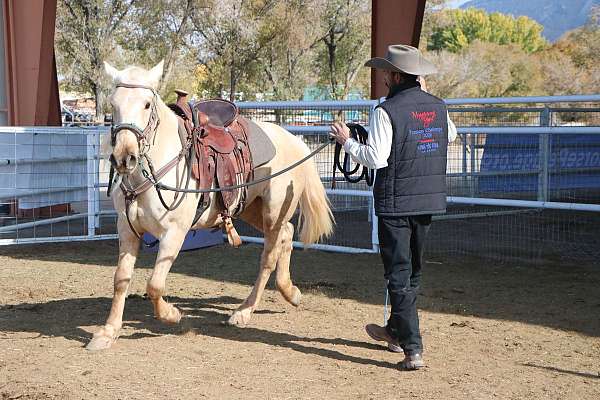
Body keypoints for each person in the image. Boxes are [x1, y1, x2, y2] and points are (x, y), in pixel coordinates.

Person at [329, 44, 456, 370]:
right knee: (412, 271)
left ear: (397, 75)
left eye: (387, 71)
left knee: (398, 275)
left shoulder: (386, 111)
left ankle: (412, 348)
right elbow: (450, 136)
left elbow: (376, 158)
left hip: (396, 204)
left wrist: (347, 142)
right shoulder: (438, 107)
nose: (384, 76)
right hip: (427, 201)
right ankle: (396, 331)